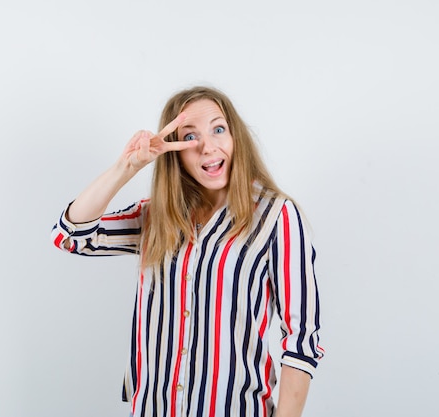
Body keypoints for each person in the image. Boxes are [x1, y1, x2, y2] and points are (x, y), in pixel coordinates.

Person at [51, 86, 324, 417]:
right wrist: (128, 166)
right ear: (175, 153)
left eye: (218, 129)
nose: (208, 146)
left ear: (235, 136)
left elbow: (301, 339)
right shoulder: (156, 217)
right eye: (190, 136)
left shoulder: (276, 217)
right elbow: (71, 236)